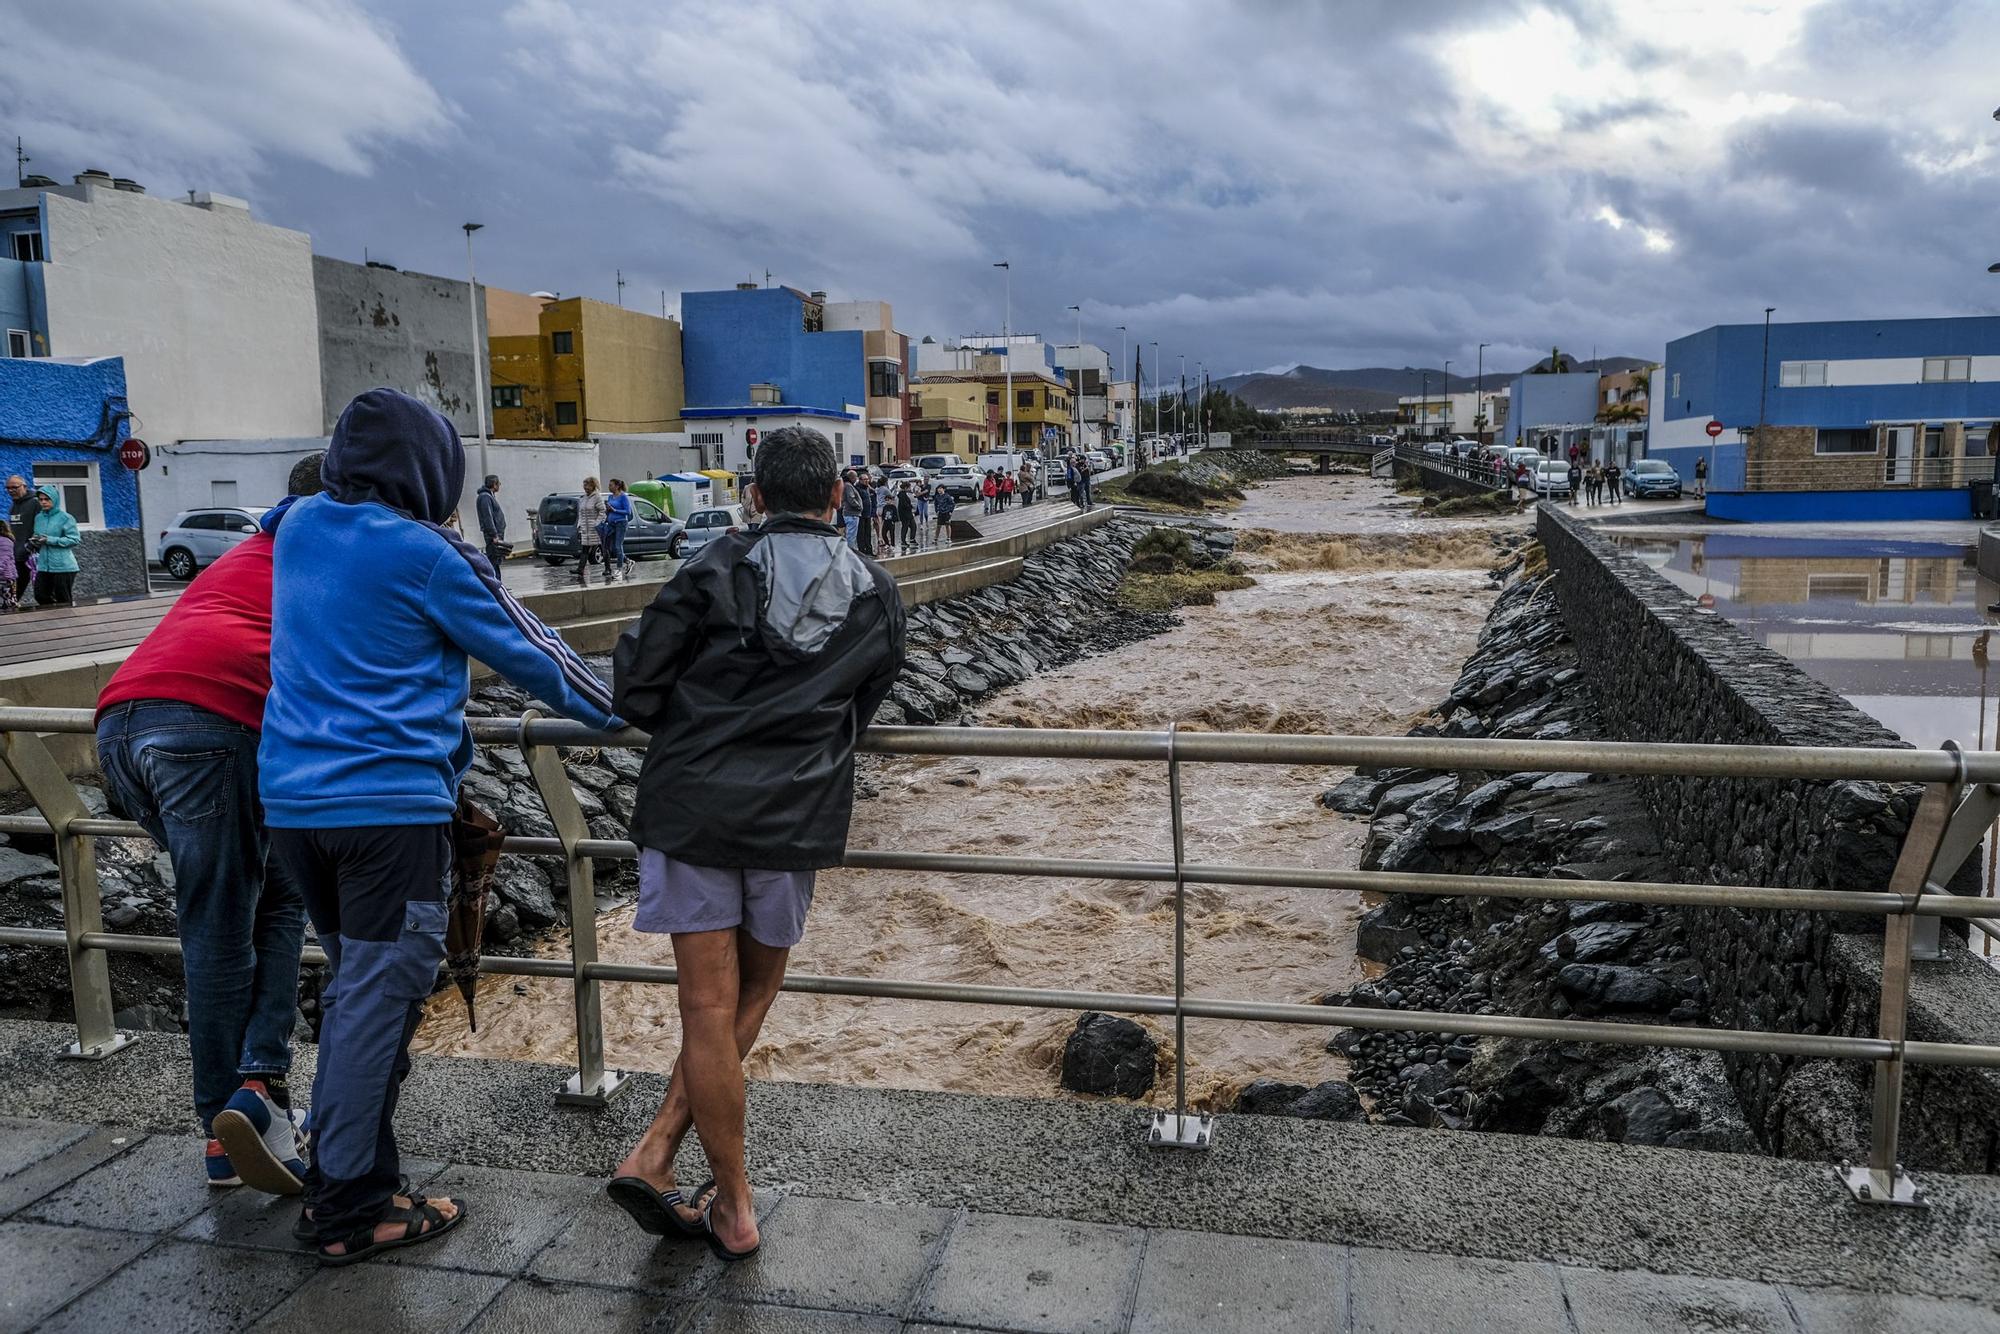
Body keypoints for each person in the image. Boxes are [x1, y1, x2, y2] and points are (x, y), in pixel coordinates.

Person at [260, 388, 621, 1266]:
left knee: (356, 992)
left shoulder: (299, 524)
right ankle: (347, 1207)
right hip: (386, 810)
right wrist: (624, 710)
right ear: (428, 472)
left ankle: (357, 1172)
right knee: (378, 999)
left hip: (294, 808)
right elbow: (532, 653)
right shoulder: (426, 555)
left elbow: (277, 512)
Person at [607, 425, 905, 1262]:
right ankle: (683, 1166)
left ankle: (700, 1176)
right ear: (838, 496)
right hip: (792, 819)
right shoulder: (875, 592)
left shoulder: (712, 568)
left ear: (755, 496)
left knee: (704, 1007)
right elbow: (864, 705)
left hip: (692, 809)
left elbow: (635, 687)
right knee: (753, 998)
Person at [96, 452, 326, 1192]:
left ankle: (259, 1095)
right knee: (228, 921)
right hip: (210, 725)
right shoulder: (333, 552)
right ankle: (229, 1120)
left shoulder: (247, 551)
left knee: (273, 893)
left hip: (122, 727)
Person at [28, 485, 81, 608]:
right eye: (41, 499)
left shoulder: (66, 518)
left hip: (63, 566)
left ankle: (68, 624)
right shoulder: (39, 517)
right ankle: (52, 622)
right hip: (43, 565)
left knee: (63, 599)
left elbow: (74, 539)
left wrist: (50, 540)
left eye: (47, 499)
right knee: (40, 595)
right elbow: (38, 535)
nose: (43, 502)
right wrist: (35, 541)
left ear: (55, 499)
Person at [6, 475, 35, 602]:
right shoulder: (13, 506)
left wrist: (30, 546)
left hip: (32, 555)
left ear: (24, 486)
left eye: (15, 487)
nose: (11, 490)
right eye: (8, 488)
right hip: (16, 555)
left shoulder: (35, 502)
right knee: (13, 593)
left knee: (43, 592)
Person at [578, 477, 607, 584]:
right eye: (584, 485)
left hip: (595, 528)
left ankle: (608, 568)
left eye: (587, 485)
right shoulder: (584, 498)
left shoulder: (597, 497)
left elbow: (602, 511)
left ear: (593, 485)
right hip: (585, 528)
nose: (585, 488)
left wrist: (597, 523)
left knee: (602, 548)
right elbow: (581, 512)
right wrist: (579, 524)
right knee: (585, 548)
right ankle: (580, 569)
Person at [476, 475, 507, 568]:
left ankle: (497, 581)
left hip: (495, 535)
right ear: (494, 484)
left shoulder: (488, 496)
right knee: (494, 561)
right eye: (499, 484)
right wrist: (494, 535)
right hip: (493, 537)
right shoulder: (485, 497)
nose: (499, 486)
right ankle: (495, 581)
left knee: (496, 560)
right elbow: (487, 518)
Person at [604, 478, 633, 578]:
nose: (609, 486)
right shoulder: (610, 497)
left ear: (617, 486)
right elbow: (609, 510)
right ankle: (628, 561)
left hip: (621, 523)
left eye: (611, 485)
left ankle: (619, 570)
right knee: (612, 547)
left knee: (618, 546)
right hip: (611, 523)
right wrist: (607, 510)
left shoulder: (623, 497)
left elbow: (628, 512)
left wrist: (614, 510)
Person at [840, 469, 863, 546]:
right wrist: (859, 506)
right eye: (856, 477)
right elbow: (851, 498)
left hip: (850, 513)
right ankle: (851, 552)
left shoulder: (847, 485)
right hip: (852, 514)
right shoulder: (848, 486)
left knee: (850, 534)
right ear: (852, 477)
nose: (857, 479)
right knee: (851, 536)